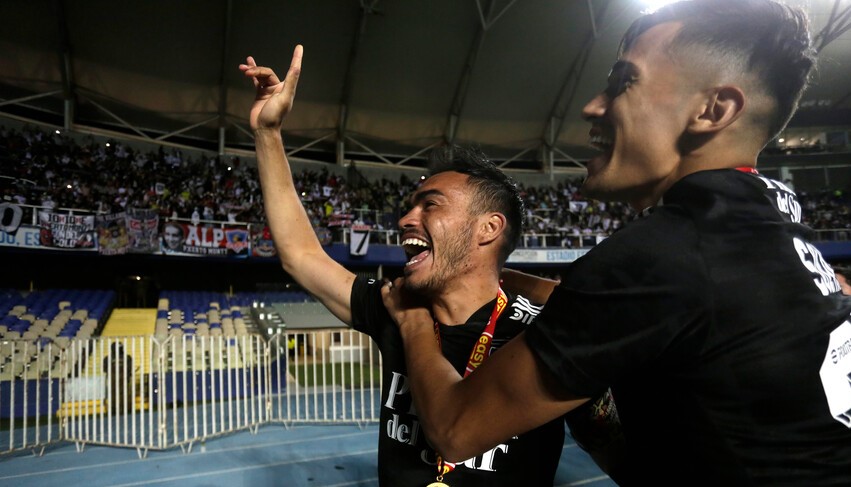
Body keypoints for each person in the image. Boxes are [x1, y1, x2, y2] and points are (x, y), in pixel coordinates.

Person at [380, 0, 851, 485]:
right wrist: (504, 278)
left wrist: (414, 320)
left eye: (623, 81)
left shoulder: (662, 252)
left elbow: (456, 429)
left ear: (712, 110)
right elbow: (645, 307)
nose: (592, 105)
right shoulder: (768, 221)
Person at [239, 49, 619, 486]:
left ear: (488, 228)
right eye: (410, 205)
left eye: (430, 205)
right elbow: (300, 256)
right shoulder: (395, 304)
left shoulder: (545, 331)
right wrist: (268, 134)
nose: (405, 219)